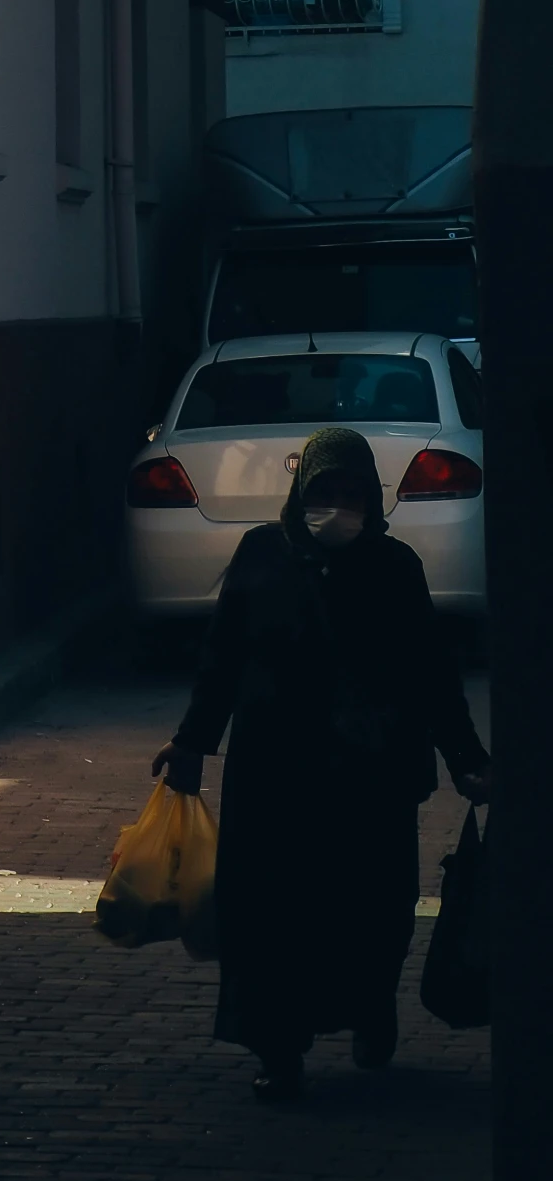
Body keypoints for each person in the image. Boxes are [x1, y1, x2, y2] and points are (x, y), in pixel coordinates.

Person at [151, 425, 491, 1103]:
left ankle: (370, 1010)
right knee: (270, 918)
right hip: (275, 779)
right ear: (298, 493)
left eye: (350, 493)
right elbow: (220, 664)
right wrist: (191, 744)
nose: (336, 507)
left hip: (370, 779)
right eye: (322, 491)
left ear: (371, 498)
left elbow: (432, 674)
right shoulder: (260, 558)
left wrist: (465, 758)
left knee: (374, 909)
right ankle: (278, 1051)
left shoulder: (394, 569)